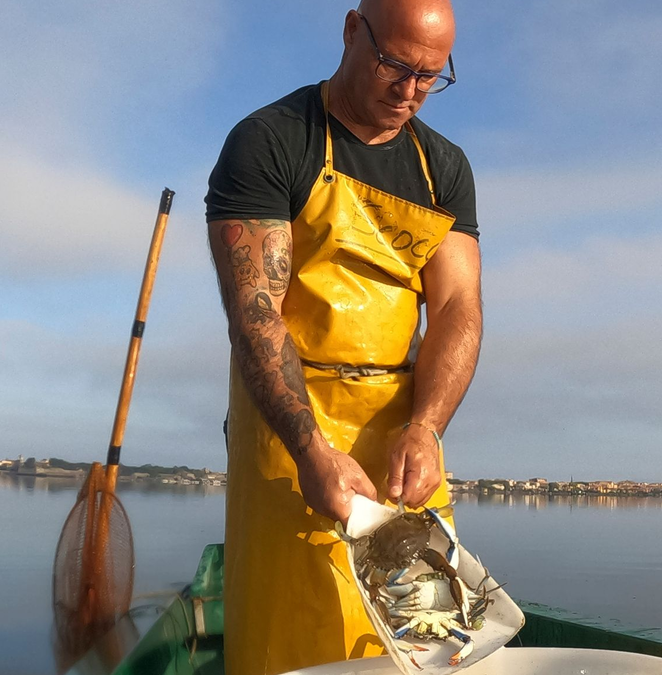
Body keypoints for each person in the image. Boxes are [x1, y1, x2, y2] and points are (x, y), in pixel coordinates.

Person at [203, 0, 481, 672]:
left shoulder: (443, 167)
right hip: (289, 425)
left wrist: (427, 427)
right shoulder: (271, 140)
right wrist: (308, 448)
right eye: (395, 66)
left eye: (430, 77)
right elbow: (256, 314)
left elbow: (456, 309)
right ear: (354, 30)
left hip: (401, 427)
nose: (409, 91)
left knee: (423, 637)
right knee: (288, 635)